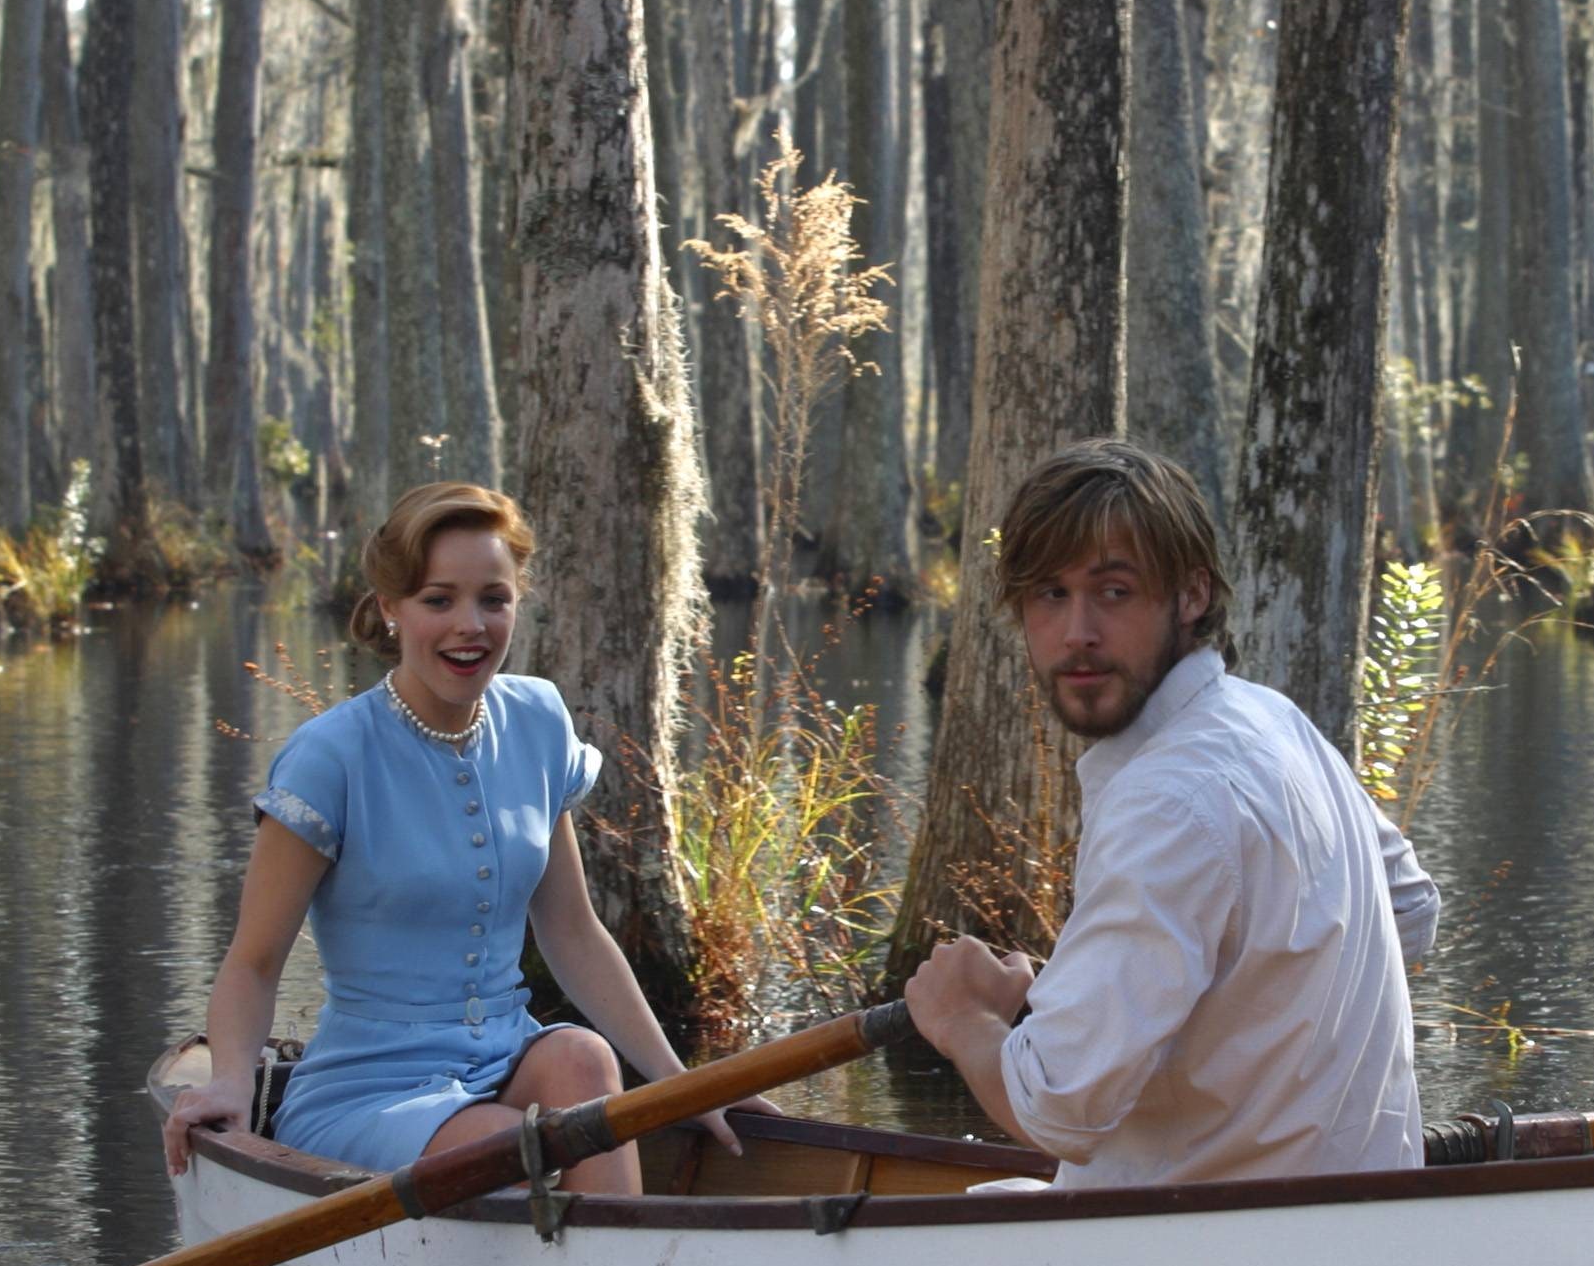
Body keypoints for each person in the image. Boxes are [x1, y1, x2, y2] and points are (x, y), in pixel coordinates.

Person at [163, 481, 758, 1191]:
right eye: (438, 600)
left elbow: (571, 932)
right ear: (390, 607)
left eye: (493, 599)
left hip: (509, 1058)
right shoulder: (331, 756)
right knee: (519, 1146)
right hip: (370, 1092)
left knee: (584, 1059)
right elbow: (255, 962)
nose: (469, 625)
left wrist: (678, 1084)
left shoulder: (537, 720)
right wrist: (231, 1080)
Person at [904, 439, 1438, 1188]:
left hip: (1203, 1260)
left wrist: (962, 1019)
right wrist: (1147, 998)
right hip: (1354, 1225)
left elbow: (1056, 1110)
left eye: (1114, 591)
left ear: (1190, 596)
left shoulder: (1168, 798)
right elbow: (1411, 909)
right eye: (1049, 595)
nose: (1077, 632)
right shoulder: (1269, 720)